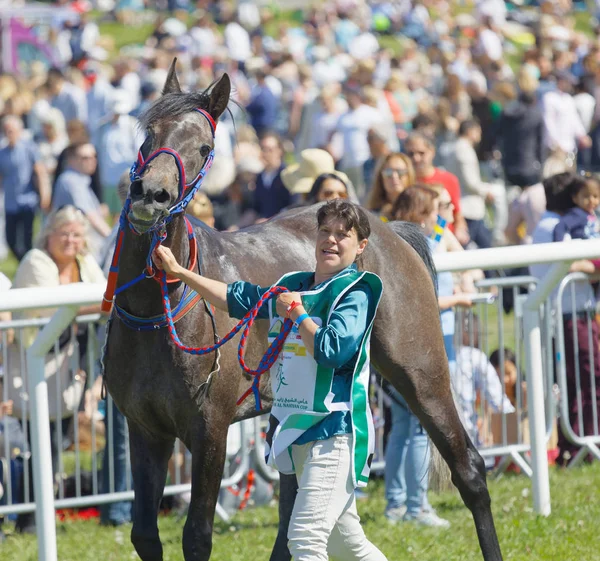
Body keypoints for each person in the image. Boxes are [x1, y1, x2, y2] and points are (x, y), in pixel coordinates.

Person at [153, 200, 387, 561]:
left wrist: (296, 313)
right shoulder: (294, 284)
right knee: (346, 545)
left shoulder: (356, 291)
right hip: (298, 430)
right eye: (325, 231)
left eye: (343, 235)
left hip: (336, 432)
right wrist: (182, 273)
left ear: (361, 246)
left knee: (306, 540)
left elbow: (332, 350)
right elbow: (236, 298)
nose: (331, 240)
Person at [384, 185, 458, 528]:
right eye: (434, 211)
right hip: (421, 346)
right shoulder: (416, 246)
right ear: (420, 214)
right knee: (415, 428)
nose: (439, 218)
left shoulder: (390, 240)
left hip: (399, 345)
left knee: (401, 426)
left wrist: (445, 213)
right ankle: (417, 507)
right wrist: (458, 301)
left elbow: (445, 232)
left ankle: (396, 504)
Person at [529, 172, 600, 465]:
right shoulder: (554, 227)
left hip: (575, 310)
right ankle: (584, 442)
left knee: (576, 379)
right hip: (569, 312)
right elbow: (567, 266)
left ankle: (577, 444)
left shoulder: (556, 224)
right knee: (586, 377)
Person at [443, 119, 508, 247]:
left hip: (467, 206)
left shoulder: (455, 147)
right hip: (468, 206)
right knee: (469, 247)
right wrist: (487, 191)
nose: (480, 134)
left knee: (484, 246)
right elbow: (471, 183)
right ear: (470, 131)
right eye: (478, 131)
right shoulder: (464, 150)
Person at [0, 115, 51, 260]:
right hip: (10, 202)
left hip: (27, 201)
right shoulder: (2, 153)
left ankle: (28, 263)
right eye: (6, 130)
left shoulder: (29, 148)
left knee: (27, 238)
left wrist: (44, 195)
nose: (9, 134)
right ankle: (22, 262)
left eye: (11, 130)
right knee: (10, 239)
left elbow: (40, 172)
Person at [403, 132, 468, 243]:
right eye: (411, 154)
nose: (416, 158)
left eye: (421, 153)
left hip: (445, 240)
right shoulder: (404, 182)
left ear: (432, 152)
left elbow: (457, 214)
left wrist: (461, 230)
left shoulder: (449, 180)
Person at [52, 142, 111, 262]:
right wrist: (112, 238)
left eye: (94, 156)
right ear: (71, 160)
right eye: (85, 158)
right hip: (77, 248)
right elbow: (90, 215)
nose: (92, 160)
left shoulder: (79, 179)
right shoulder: (71, 181)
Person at [552, 174, 600, 243]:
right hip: (582, 251)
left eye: (595, 196)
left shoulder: (591, 213)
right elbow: (561, 226)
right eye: (586, 196)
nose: (591, 200)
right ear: (575, 198)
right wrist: (558, 246)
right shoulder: (577, 214)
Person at [366, 153, 415, 220]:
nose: (394, 176)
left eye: (400, 172)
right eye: (388, 172)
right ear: (381, 177)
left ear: (409, 175)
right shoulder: (372, 214)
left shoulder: (420, 210)